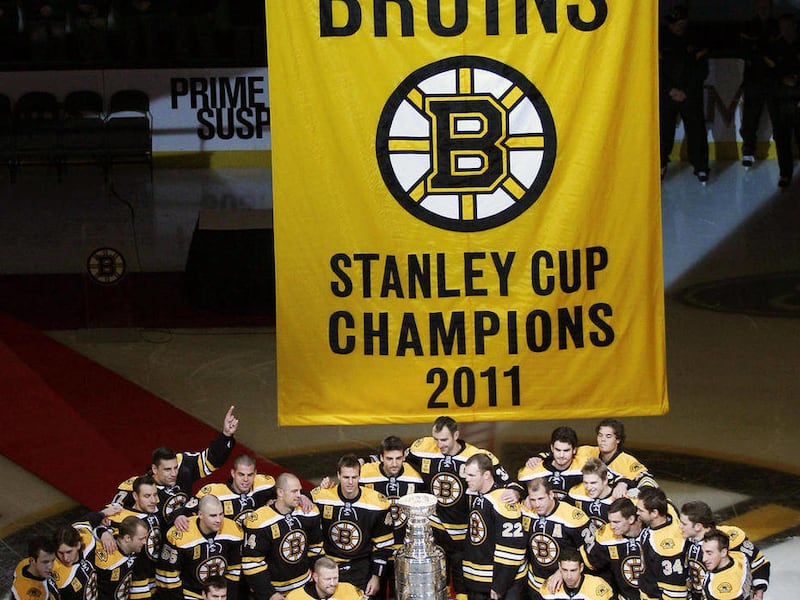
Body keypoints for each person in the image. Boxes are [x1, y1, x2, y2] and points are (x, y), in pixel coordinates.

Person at [405, 416, 516, 598]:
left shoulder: (475, 456)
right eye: (436, 439)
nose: (440, 444)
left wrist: (516, 492)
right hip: (434, 530)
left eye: (444, 440)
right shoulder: (422, 448)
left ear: (456, 435)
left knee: (462, 585)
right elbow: (394, 458)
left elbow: (508, 481)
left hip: (463, 534)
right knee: (433, 582)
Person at [113, 405, 238, 527]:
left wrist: (225, 435)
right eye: (167, 469)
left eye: (175, 468)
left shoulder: (183, 465)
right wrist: (103, 531)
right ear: (154, 469)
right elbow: (113, 510)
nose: (173, 473)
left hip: (188, 534)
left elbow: (212, 460)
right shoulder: (140, 486)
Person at [311, 454, 393, 595]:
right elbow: (298, 500)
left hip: (362, 568)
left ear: (360, 476)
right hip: (331, 567)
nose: (350, 482)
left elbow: (383, 546)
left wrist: (376, 576)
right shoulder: (321, 497)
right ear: (338, 475)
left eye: (354, 477)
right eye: (346, 477)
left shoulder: (377, 503)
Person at [358, 435, 424, 599]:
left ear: (404, 456)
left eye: (398, 458)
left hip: (404, 553)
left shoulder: (415, 475)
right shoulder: (364, 473)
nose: (394, 463)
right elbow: (346, 485)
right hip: (374, 552)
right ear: (380, 457)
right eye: (389, 458)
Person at [242, 472, 324, 600]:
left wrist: (318, 581)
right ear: (280, 493)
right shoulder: (260, 521)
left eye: (300, 491)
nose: (299, 495)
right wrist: (270, 594)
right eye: (294, 491)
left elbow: (316, 549)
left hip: (306, 587)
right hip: (276, 591)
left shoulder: (308, 512)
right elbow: (252, 563)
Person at [527, 419, 655, 501]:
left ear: (618, 440)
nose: (603, 439)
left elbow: (648, 481)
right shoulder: (587, 451)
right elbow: (563, 451)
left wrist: (627, 485)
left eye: (608, 436)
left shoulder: (627, 461)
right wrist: (539, 457)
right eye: (600, 435)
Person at [462, 453, 526, 600]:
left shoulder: (502, 501)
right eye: (467, 474)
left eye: (472, 475)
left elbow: (512, 549)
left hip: (500, 586)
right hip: (479, 582)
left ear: (486, 475)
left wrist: (499, 585)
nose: (467, 478)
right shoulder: (476, 496)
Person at [156, 494, 244, 600]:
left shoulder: (232, 529)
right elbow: (168, 577)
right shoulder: (179, 536)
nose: (218, 520)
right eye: (213, 515)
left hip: (219, 596)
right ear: (200, 515)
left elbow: (234, 570)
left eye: (221, 514)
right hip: (188, 594)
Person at [659, 4, 710, 184]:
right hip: (667, 95)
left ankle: (701, 166)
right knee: (663, 132)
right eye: (673, 23)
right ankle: (661, 164)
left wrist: (686, 91)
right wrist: (669, 90)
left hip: (690, 95)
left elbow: (702, 70)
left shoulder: (696, 39)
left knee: (696, 131)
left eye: (680, 22)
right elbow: (654, 70)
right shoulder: (659, 39)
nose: (677, 26)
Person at [679, 500, 769, 600]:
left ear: (698, 526)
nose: (680, 526)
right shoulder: (686, 541)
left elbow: (759, 563)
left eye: (684, 524)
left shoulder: (730, 539)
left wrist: (759, 591)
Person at [521, 478, 593, 600]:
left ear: (551, 495)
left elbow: (590, 552)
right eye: (533, 499)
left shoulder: (573, 518)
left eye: (541, 499)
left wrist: (563, 571)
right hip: (534, 585)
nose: (537, 504)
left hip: (562, 587)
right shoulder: (526, 511)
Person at [100, 475, 162, 599]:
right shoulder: (121, 517)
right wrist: (103, 532)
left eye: (155, 495)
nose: (153, 500)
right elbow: (93, 523)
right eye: (147, 496)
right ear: (135, 496)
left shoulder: (156, 512)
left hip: (155, 578)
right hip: (135, 582)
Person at [739, 0, 779, 167]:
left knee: (779, 118)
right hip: (753, 80)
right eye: (761, 7)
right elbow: (744, 51)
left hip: (774, 80)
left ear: (771, 8)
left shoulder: (777, 26)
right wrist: (762, 52)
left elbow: (778, 52)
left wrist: (758, 48)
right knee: (750, 118)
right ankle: (748, 151)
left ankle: (784, 152)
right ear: (756, 7)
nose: (763, 10)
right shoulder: (748, 26)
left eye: (766, 7)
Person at [183, 454, 276, 525]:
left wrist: (275, 503)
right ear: (233, 473)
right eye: (241, 474)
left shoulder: (265, 485)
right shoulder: (214, 493)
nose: (246, 479)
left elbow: (285, 496)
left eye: (250, 475)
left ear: (255, 473)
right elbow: (187, 512)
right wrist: (179, 516)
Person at [581, 498, 642, 600]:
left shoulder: (651, 534)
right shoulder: (606, 536)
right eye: (610, 521)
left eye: (616, 522)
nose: (612, 526)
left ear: (631, 519)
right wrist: (560, 572)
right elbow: (587, 562)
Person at [766, 12, 800, 188]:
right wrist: (782, 79)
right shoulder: (773, 48)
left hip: (798, 101)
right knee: (782, 140)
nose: (786, 30)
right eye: (782, 27)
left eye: (789, 26)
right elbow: (766, 75)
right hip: (780, 103)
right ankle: (785, 173)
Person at [636, 488, 687, 600]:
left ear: (655, 513)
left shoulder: (667, 549)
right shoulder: (669, 510)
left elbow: (675, 591)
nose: (637, 513)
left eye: (640, 510)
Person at [517, 427, 587, 501]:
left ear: (574, 450)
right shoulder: (533, 469)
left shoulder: (585, 469)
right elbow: (519, 493)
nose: (561, 455)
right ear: (552, 448)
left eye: (566, 451)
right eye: (558, 450)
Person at [541, 548, 615, 600]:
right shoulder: (550, 586)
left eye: (573, 570)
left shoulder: (597, 586)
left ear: (581, 567)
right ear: (559, 567)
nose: (569, 576)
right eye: (565, 570)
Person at [700, 529, 752, 600]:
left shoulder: (723, 586)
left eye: (709, 553)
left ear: (723, 552)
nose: (704, 559)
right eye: (703, 553)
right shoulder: (740, 557)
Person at [567, 458, 616, 529]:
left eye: (593, 483)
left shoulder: (618, 498)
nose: (589, 487)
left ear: (605, 480)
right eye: (585, 483)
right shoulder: (575, 494)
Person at [284, 557, 363, 600]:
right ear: (315, 577)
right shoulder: (295, 597)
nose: (333, 583)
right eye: (328, 579)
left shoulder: (349, 590)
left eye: (335, 578)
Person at [11, 536, 60, 600]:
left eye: (53, 560)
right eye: (45, 562)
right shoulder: (28, 596)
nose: (51, 567)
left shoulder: (24, 563)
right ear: (32, 561)